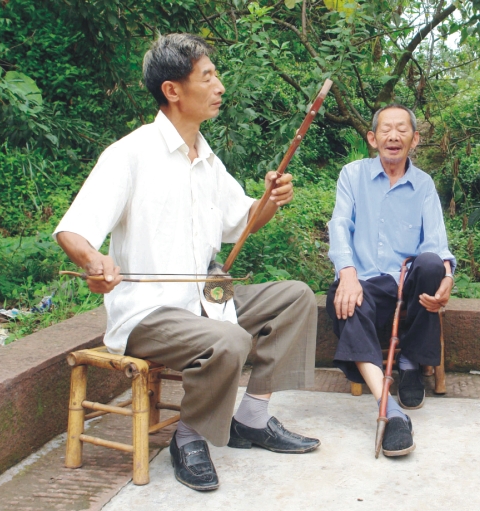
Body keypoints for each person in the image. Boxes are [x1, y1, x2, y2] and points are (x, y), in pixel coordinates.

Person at [53, 34, 320, 492]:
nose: (219, 86)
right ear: (173, 90)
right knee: (229, 340)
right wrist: (95, 260)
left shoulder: (208, 160)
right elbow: (72, 230)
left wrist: (272, 198)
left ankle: (252, 419)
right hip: (149, 314)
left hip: (206, 304)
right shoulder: (129, 154)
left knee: (296, 297)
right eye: (208, 76)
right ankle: (189, 436)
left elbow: (245, 220)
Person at [326, 104, 455, 457]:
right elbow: (339, 225)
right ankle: (391, 410)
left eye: (402, 130)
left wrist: (446, 276)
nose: (393, 136)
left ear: (414, 139)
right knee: (341, 296)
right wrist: (347, 274)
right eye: (385, 129)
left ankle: (411, 364)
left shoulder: (424, 184)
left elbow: (436, 243)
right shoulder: (352, 175)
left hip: (407, 283)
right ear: (372, 138)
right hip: (365, 282)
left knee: (431, 265)